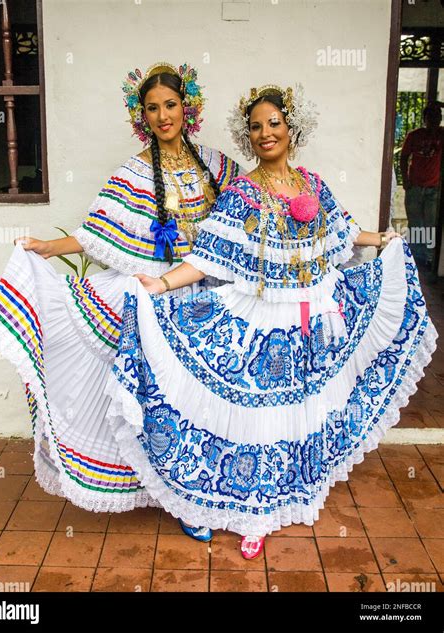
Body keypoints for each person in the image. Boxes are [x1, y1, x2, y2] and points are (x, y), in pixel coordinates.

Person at [103, 83, 438, 559]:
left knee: (292, 418)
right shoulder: (243, 192)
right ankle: (253, 513)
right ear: (248, 136)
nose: (265, 133)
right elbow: (208, 257)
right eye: (256, 127)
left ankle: (281, 499)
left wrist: (382, 239)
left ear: (291, 128)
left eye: (274, 123)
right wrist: (158, 285)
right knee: (259, 423)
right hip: (264, 324)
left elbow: (340, 235)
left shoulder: (314, 186)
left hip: (314, 321)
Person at [0, 62, 242, 519]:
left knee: (206, 400)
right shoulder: (133, 174)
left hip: (213, 299)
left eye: (171, 105)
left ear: (188, 107)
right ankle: (168, 491)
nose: (163, 116)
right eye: (152, 109)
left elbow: (252, 213)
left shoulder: (218, 166)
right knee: (162, 402)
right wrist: (46, 247)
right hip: (159, 297)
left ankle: (206, 491)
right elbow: (94, 233)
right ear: (142, 117)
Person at [400, 101, 443, 266]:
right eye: (430, 116)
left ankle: (429, 258)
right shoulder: (414, 135)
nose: (434, 120)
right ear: (424, 118)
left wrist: (439, 104)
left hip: (434, 189)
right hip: (415, 187)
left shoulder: (442, 134)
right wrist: (405, 180)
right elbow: (403, 158)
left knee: (431, 225)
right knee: (415, 223)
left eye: (438, 116)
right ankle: (415, 258)